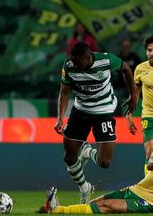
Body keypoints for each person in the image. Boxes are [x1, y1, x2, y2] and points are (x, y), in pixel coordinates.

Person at [38, 121, 153, 215]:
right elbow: (150, 167)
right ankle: (55, 208)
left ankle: (57, 210)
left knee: (106, 206)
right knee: (96, 202)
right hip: (135, 190)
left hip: (151, 203)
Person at [55, 41, 138, 203]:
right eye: (72, 60)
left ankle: (87, 152)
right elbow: (64, 92)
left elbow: (126, 68)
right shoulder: (69, 65)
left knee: (104, 162)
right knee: (69, 157)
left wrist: (133, 95)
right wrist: (60, 118)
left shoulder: (106, 60)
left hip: (104, 111)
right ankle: (85, 188)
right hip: (80, 111)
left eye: (77, 61)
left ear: (87, 57)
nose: (74, 64)